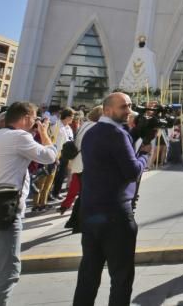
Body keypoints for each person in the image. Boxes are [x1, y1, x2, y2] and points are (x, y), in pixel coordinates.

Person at [0, 102, 57, 306]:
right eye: (34, 119)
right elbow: (49, 157)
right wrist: (44, 134)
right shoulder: (19, 137)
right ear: (25, 117)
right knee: (8, 274)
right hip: (4, 212)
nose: (35, 123)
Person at [73, 91, 151, 306]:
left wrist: (134, 134)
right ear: (107, 109)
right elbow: (131, 170)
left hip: (90, 210)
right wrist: (145, 155)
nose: (128, 111)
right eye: (123, 107)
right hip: (115, 213)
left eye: (129, 106)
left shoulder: (93, 132)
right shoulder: (115, 134)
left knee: (89, 271)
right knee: (121, 275)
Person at [60, 106, 102, 219]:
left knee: (75, 185)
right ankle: (75, 216)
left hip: (77, 161)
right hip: (86, 162)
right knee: (85, 191)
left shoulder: (85, 124)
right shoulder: (96, 127)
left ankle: (66, 205)